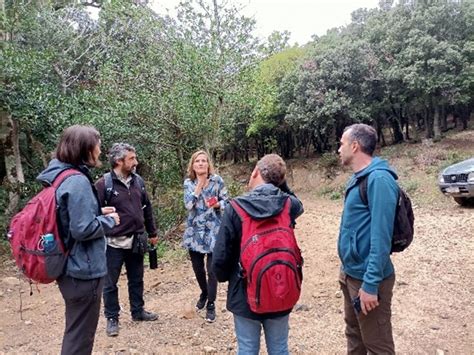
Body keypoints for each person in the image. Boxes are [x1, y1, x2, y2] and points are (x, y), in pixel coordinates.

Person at [37, 125, 120, 355]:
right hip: (83, 270)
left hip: (68, 266)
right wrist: (110, 220)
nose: (100, 151)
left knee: (75, 330)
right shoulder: (78, 181)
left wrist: (97, 212)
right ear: (85, 149)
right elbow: (82, 229)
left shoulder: (58, 175)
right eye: (98, 146)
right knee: (80, 339)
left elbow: (67, 217)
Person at [212, 154, 304, 355]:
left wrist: (225, 277)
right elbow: (299, 203)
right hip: (281, 286)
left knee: (247, 348)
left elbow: (220, 258)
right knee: (279, 348)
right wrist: (280, 182)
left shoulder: (235, 208)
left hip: (244, 291)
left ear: (255, 171)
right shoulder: (288, 205)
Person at [337, 123, 398, 354]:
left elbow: (381, 238)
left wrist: (371, 284)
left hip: (369, 279)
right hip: (351, 274)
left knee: (377, 345)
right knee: (355, 336)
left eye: (342, 143)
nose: (338, 149)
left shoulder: (379, 180)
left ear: (355, 146)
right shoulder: (358, 178)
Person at [95, 143, 158, 337]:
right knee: (109, 283)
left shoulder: (138, 181)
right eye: (131, 159)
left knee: (137, 278)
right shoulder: (103, 184)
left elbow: (147, 208)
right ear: (118, 161)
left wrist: (152, 232)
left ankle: (138, 311)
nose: (135, 162)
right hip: (112, 243)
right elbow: (92, 212)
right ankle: (112, 318)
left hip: (136, 240)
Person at [183, 150, 228, 323]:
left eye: (204, 161)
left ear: (208, 164)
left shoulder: (217, 181)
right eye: (198, 161)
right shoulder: (188, 183)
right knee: (197, 268)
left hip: (213, 230)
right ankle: (204, 292)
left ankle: (211, 303)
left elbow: (227, 200)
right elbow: (188, 205)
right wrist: (199, 186)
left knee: (212, 269)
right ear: (193, 165)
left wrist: (218, 204)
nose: (201, 163)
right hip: (194, 231)